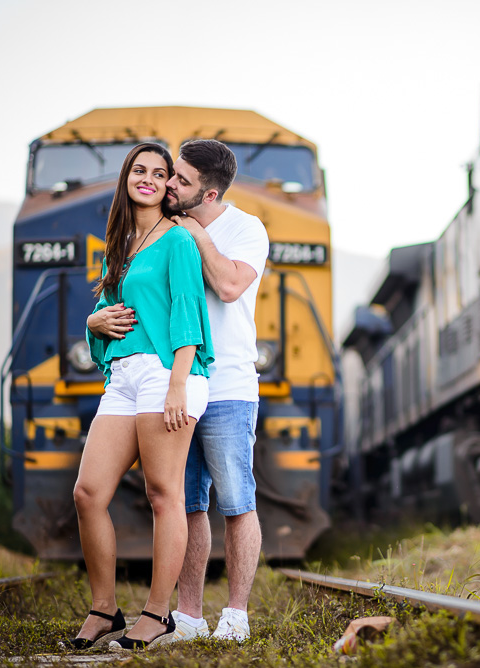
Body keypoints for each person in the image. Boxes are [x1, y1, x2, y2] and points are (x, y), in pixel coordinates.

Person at [64, 142, 214, 651]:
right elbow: (108, 325)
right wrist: (92, 322)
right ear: (127, 178)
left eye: (158, 172)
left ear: (168, 183)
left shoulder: (178, 240)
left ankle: (157, 614)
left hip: (167, 372)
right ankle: (104, 609)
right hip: (124, 379)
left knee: (162, 494)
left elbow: (188, 313)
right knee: (88, 494)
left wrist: (177, 384)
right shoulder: (120, 245)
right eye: (139, 170)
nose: (148, 178)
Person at [163, 139, 270, 642]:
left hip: (229, 385)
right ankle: (188, 617)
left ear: (209, 194)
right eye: (172, 173)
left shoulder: (247, 229)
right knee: (187, 504)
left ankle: (236, 616)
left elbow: (229, 287)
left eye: (181, 180)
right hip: (177, 386)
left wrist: (196, 234)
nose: (169, 184)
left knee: (236, 501)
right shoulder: (163, 224)